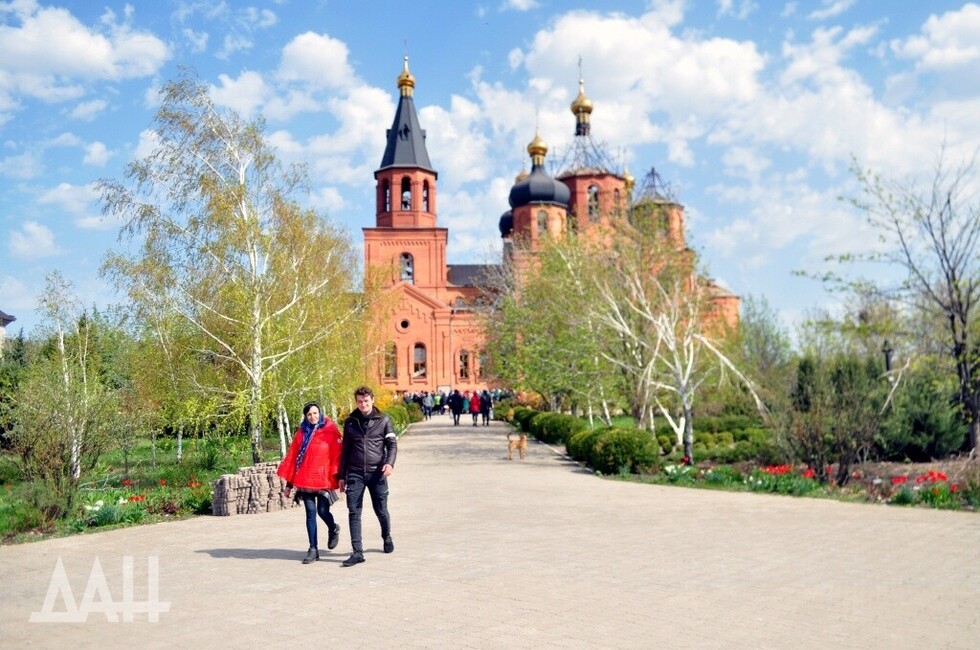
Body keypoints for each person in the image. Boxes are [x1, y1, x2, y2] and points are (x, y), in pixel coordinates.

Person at [338, 386, 398, 567]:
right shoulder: (350, 422)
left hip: (377, 473)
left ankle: (386, 536)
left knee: (381, 510)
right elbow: (345, 451)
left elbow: (392, 445)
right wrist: (342, 476)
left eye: (366, 401)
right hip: (355, 473)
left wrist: (389, 463)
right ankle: (357, 552)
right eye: (359, 401)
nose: (363, 404)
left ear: (372, 400)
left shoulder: (384, 419)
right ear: (356, 402)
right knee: (353, 511)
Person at [277, 402, 343, 564]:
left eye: (315, 413)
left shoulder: (330, 430)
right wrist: (289, 484)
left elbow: (338, 454)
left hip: (323, 478)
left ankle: (333, 528)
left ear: (320, 413)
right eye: (309, 414)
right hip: (305, 478)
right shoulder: (301, 433)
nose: (313, 417)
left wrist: (340, 476)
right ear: (305, 416)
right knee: (310, 513)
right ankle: (313, 549)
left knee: (322, 510)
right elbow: (293, 458)